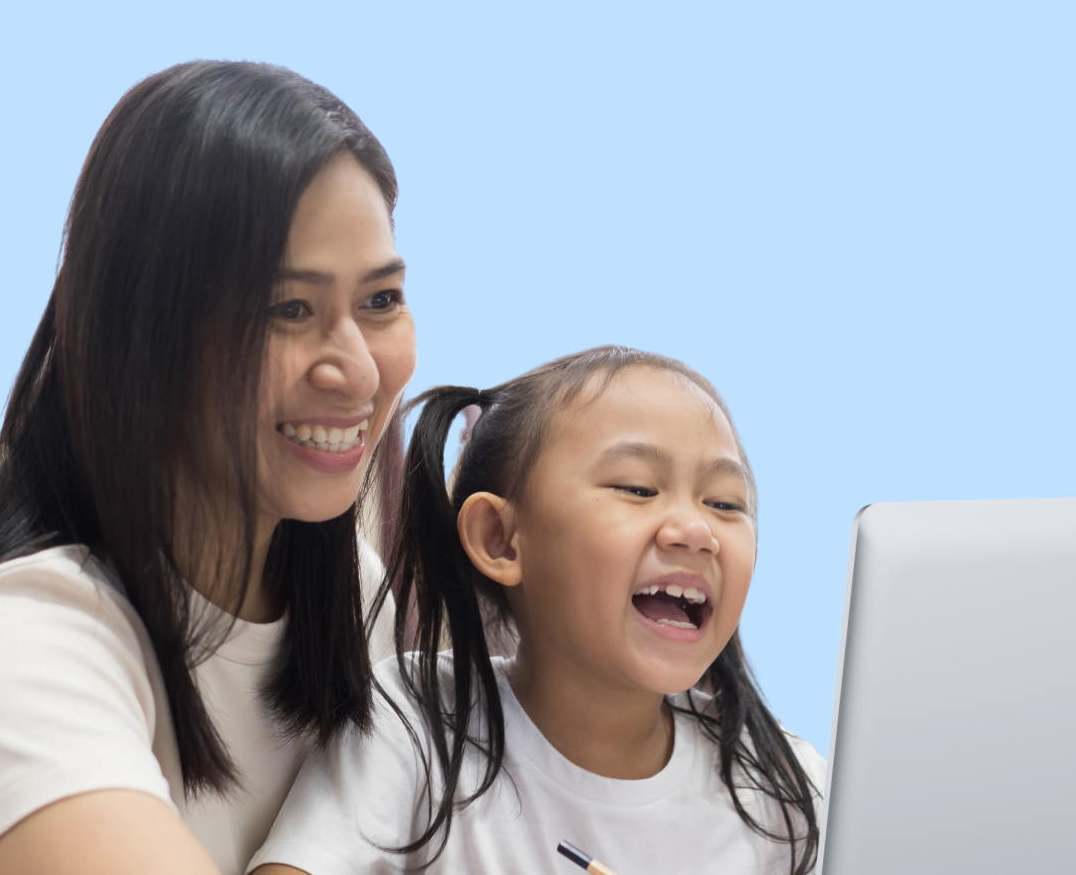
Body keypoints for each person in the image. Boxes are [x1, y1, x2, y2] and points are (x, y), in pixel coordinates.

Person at [0, 60, 416, 875]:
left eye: (380, 300)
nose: (357, 370)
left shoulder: (351, 597)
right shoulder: (19, 640)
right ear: (147, 334)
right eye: (290, 309)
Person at [251, 346, 824, 875]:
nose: (697, 531)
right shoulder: (412, 725)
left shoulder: (786, 791)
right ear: (500, 538)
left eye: (725, 503)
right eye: (637, 489)